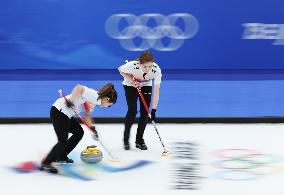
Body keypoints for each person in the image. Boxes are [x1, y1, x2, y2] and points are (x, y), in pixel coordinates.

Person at [40, 83, 117, 173]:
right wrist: (71, 100)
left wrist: (93, 128)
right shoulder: (95, 95)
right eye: (110, 104)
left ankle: (61, 155)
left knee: (79, 132)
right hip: (59, 112)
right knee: (63, 141)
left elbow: (87, 115)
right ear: (107, 99)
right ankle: (46, 163)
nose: (108, 106)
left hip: (66, 115)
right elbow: (79, 88)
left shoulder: (96, 101)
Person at [118, 51, 162, 150]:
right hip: (130, 85)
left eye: (149, 66)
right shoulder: (132, 65)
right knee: (132, 111)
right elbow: (120, 69)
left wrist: (154, 110)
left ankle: (139, 140)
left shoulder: (156, 70)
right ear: (139, 64)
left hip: (146, 85)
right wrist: (130, 79)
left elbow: (156, 91)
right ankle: (126, 139)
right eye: (145, 66)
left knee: (145, 113)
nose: (147, 69)